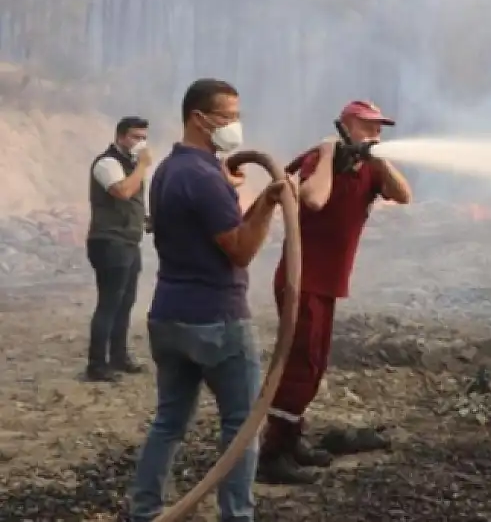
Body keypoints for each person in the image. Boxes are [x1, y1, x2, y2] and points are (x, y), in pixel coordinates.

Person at [129, 79, 291, 522]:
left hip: (168, 316)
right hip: (216, 320)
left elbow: (201, 218)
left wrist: (228, 184)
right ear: (199, 118)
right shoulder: (203, 178)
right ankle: (236, 516)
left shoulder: (169, 170)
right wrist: (267, 204)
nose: (235, 126)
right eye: (228, 117)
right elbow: (239, 248)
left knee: (169, 423)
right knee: (242, 425)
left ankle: (143, 511)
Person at [258, 99, 412, 484]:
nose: (376, 133)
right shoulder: (318, 160)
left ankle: (291, 441)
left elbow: (403, 194)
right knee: (299, 367)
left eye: (380, 128)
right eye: (368, 126)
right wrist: (328, 152)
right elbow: (313, 198)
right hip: (300, 280)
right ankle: (272, 455)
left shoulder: (371, 168)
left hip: (327, 282)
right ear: (346, 124)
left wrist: (380, 158)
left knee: (313, 364)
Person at [86, 115, 152, 382]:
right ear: (120, 137)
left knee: (125, 302)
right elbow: (122, 192)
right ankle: (97, 365)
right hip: (109, 241)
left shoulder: (131, 166)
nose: (141, 143)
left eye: (144, 138)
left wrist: (146, 221)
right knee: (109, 303)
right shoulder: (107, 163)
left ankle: (119, 356)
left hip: (128, 241)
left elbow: (132, 203)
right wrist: (143, 166)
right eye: (136, 137)